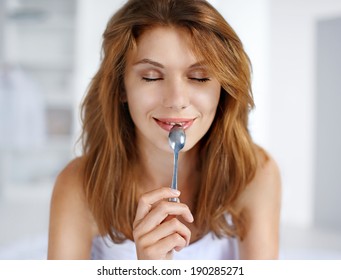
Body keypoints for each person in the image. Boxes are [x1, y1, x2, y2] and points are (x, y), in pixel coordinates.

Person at [47, 0, 281, 260]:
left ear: (223, 88)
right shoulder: (79, 185)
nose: (176, 99)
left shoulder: (256, 174)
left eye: (199, 77)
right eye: (151, 76)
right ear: (121, 88)